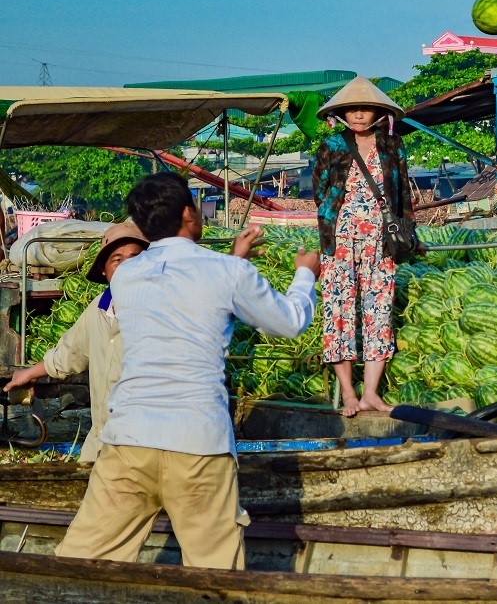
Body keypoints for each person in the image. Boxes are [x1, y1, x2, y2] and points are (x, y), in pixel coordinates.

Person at [54, 171, 319, 569]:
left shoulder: (126, 276)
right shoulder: (228, 273)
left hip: (129, 441)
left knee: (80, 564)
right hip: (198, 443)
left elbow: (179, 290)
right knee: (214, 574)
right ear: (188, 214)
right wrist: (305, 275)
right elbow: (289, 322)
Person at [2, 222, 266, 462]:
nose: (127, 266)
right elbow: (69, 354)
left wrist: (234, 261)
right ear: (105, 272)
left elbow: (210, 303)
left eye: (136, 258)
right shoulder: (98, 309)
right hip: (103, 445)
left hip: (154, 449)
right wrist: (29, 374)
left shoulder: (169, 304)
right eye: (117, 260)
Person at [312, 76, 416, 417]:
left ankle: (370, 393)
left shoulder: (392, 144)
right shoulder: (332, 146)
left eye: (365, 108)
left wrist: (407, 233)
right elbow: (320, 192)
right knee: (338, 313)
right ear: (343, 113)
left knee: (379, 310)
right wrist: (333, 225)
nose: (358, 114)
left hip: (380, 240)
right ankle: (348, 393)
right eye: (352, 109)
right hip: (340, 240)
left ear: (376, 111)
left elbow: (402, 196)